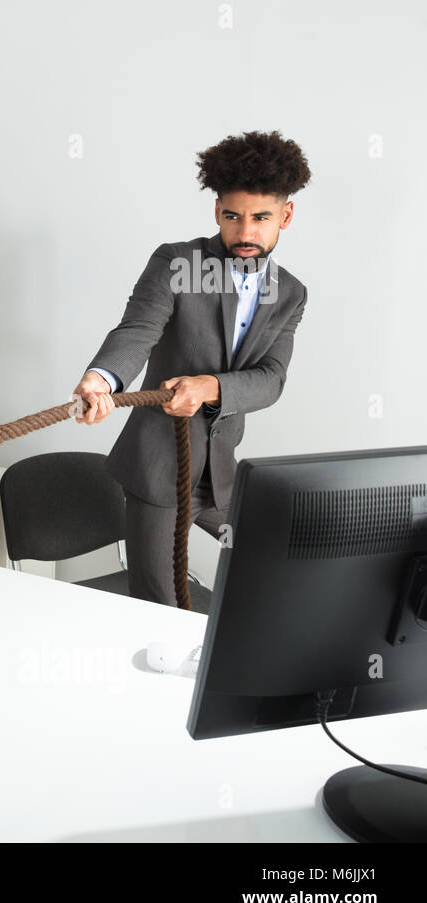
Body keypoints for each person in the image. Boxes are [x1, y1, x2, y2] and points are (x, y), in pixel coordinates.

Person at [72, 130, 311, 607]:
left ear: (285, 215)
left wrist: (210, 386)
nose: (245, 233)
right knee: (158, 604)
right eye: (232, 217)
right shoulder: (177, 262)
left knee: (283, 563)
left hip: (222, 475)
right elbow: (137, 330)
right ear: (216, 210)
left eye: (261, 218)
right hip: (158, 467)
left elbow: (271, 380)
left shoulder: (291, 293)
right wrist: (100, 379)